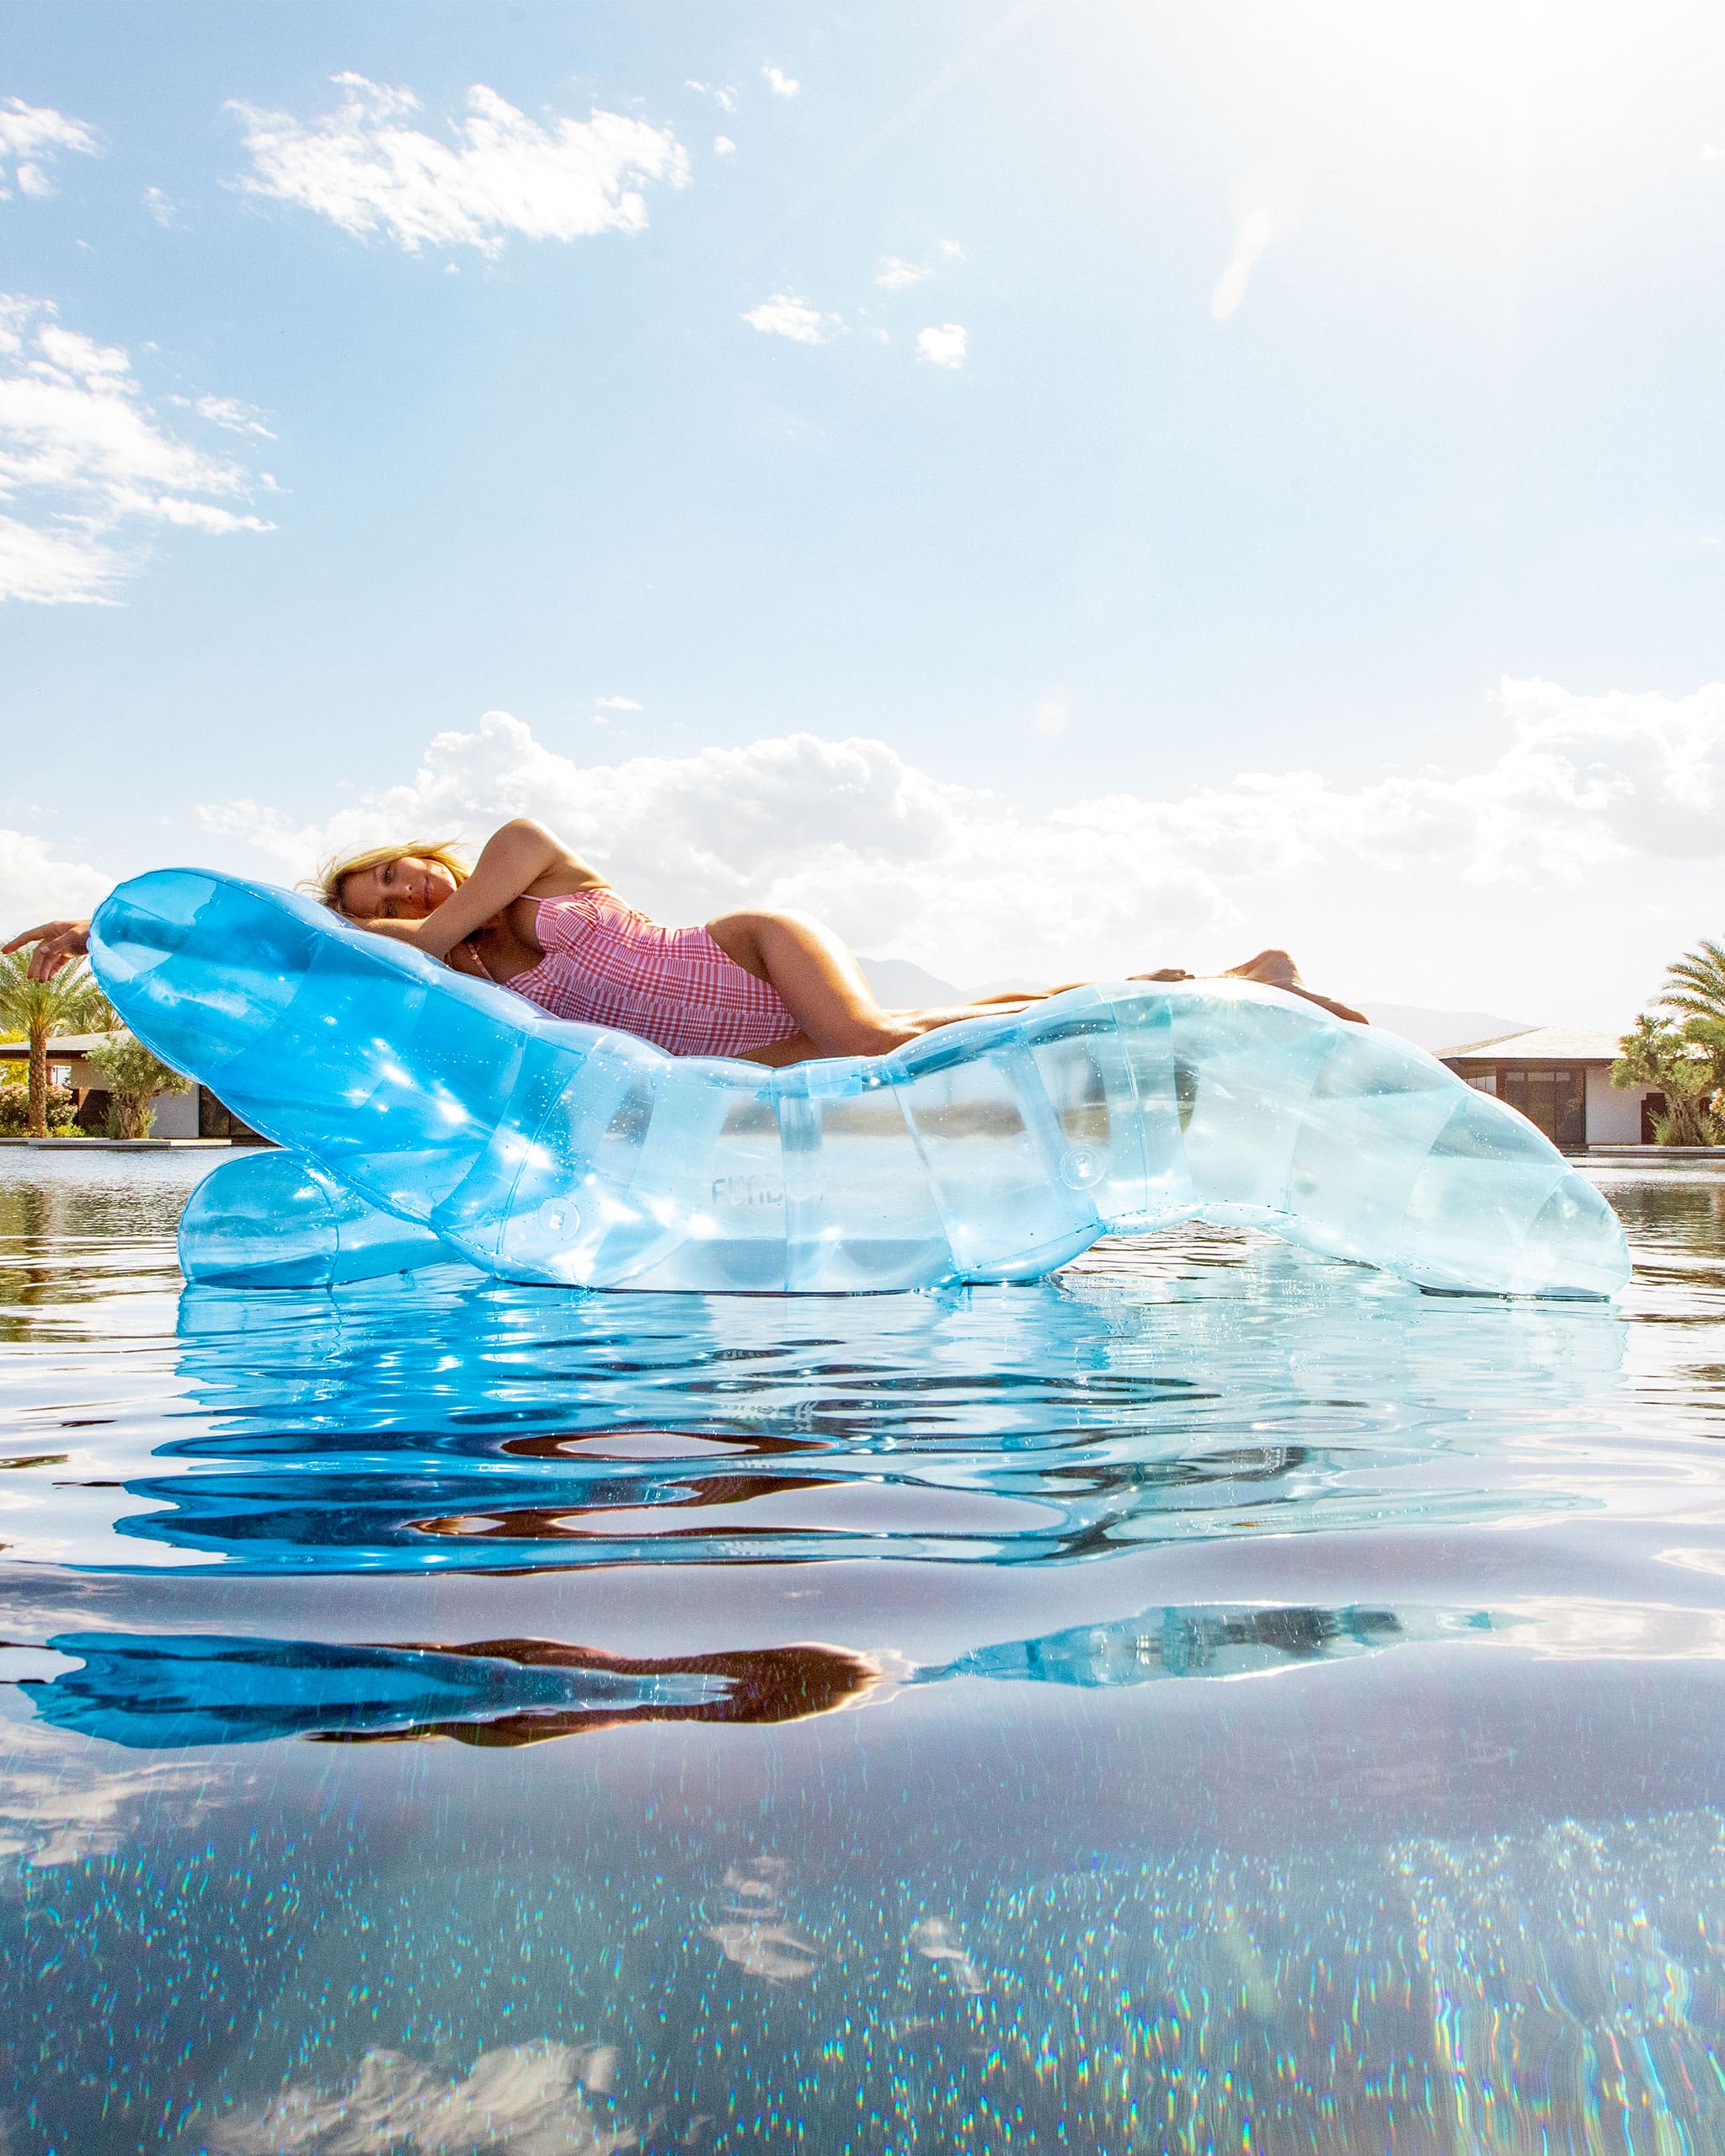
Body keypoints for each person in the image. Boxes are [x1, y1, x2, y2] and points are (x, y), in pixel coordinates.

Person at [4, 817, 1365, 1065]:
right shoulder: (453, 960)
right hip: (736, 1051)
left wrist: (379, 926)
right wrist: (120, 921)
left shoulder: (515, 860)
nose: (399, 895)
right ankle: (1218, 989)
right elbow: (300, 948)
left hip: (747, 959)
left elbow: (384, 929)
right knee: (975, 1031)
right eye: (375, 899)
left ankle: (1226, 994)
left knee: (893, 1043)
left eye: (392, 874)